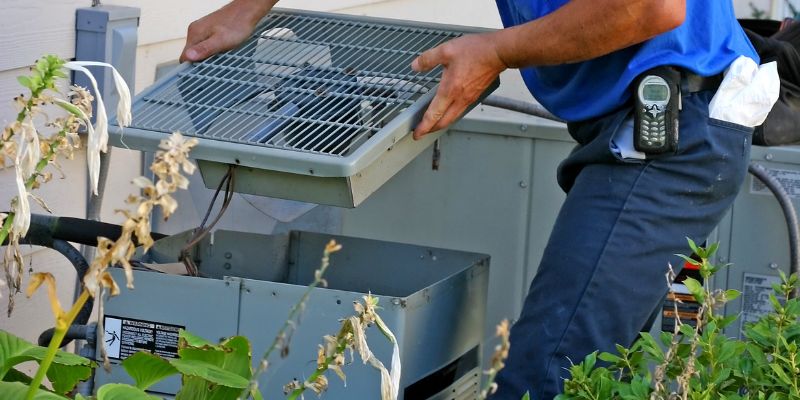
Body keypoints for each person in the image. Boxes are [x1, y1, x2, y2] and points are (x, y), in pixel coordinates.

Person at [181, 1, 776, 398]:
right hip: (634, 131)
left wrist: (496, 50)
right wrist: (246, 10)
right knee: (592, 376)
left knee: (547, 375)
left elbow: (649, 5)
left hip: (670, 133)